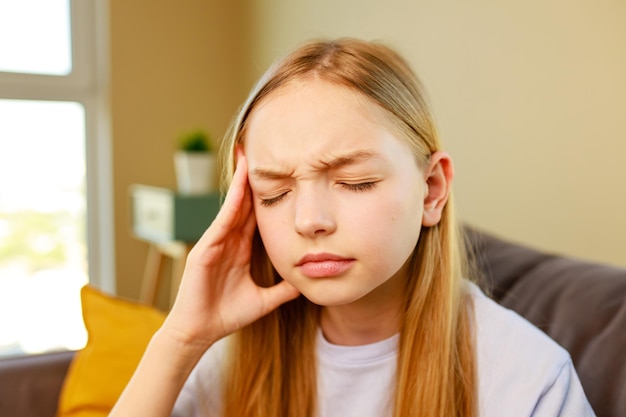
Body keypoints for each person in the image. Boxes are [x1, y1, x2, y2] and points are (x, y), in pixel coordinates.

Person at [110, 38, 595, 417]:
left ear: (431, 190)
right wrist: (180, 340)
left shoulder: (527, 378)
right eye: (274, 193)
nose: (309, 221)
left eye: (354, 182)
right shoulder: (234, 360)